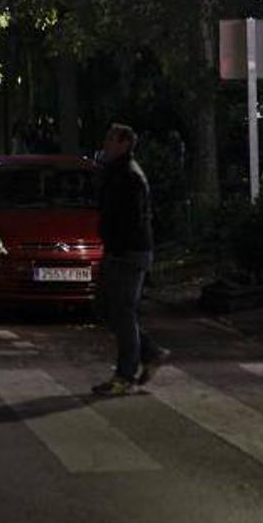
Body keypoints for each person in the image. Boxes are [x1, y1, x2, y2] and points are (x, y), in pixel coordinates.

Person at [91, 124, 166, 396]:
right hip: (118, 250)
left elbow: (132, 219)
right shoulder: (116, 172)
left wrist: (117, 244)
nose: (106, 144)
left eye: (111, 139)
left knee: (121, 312)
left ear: (124, 143)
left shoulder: (130, 176)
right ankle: (150, 352)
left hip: (128, 252)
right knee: (107, 309)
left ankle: (125, 374)